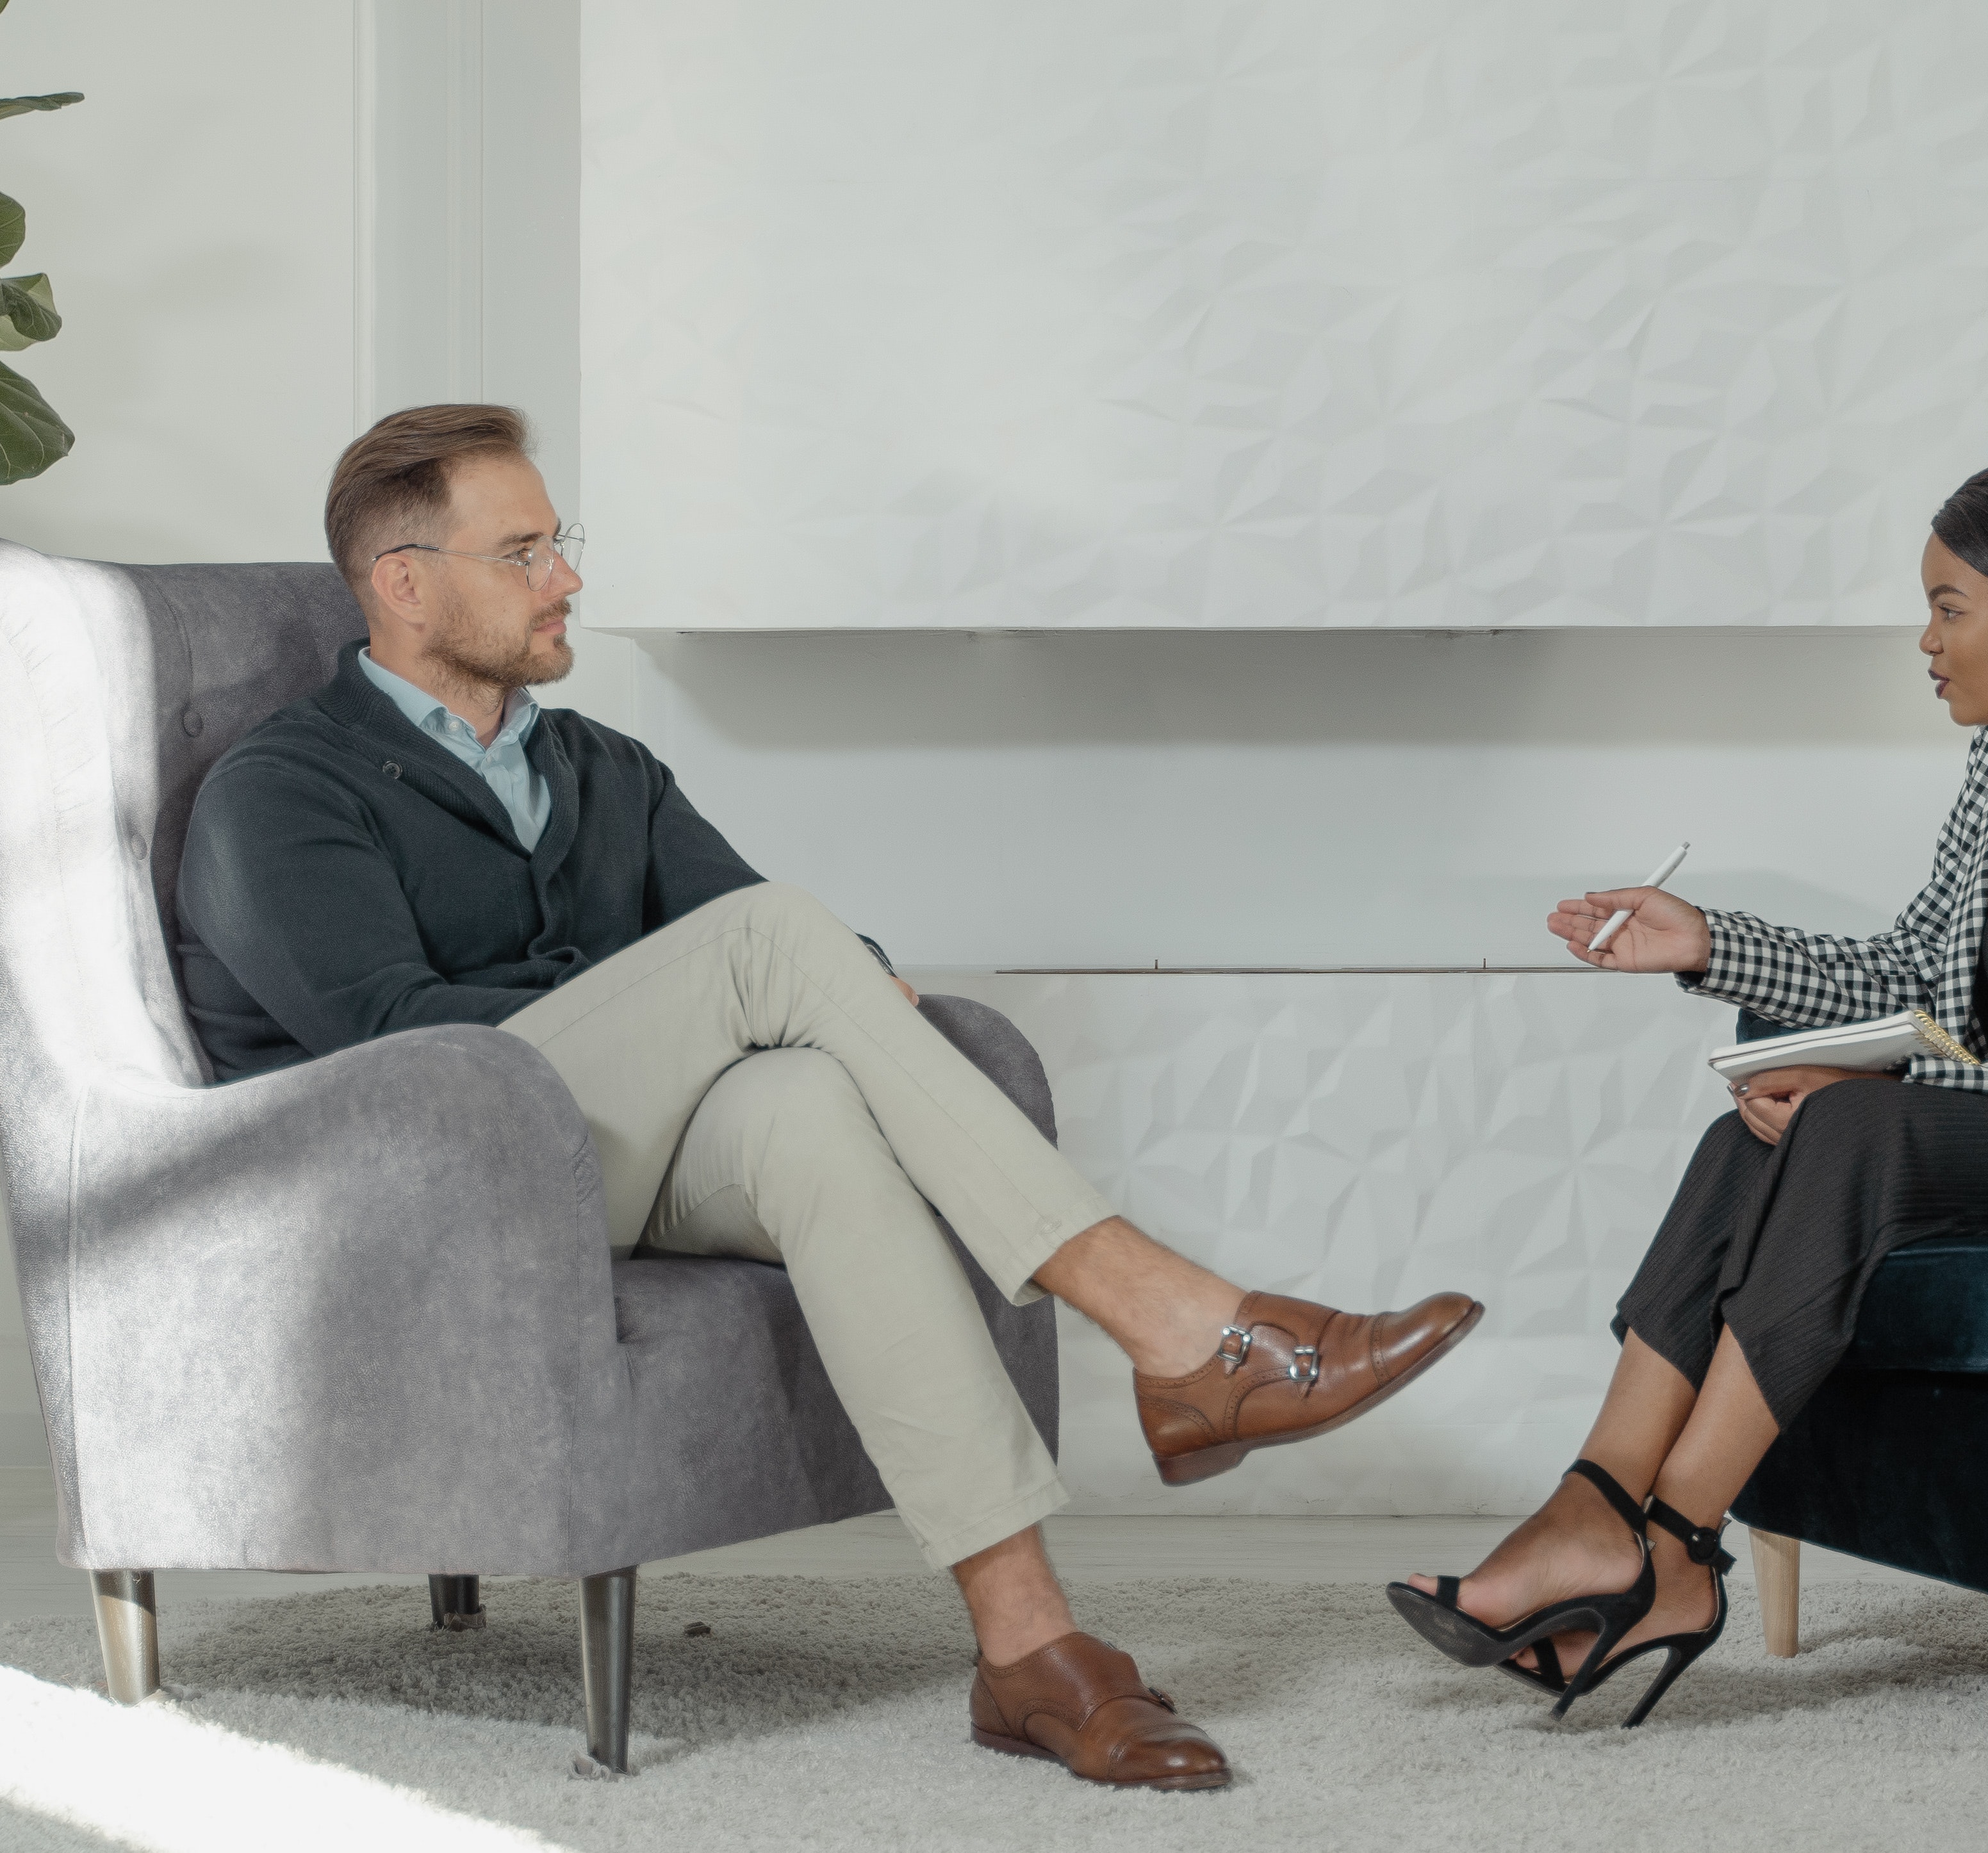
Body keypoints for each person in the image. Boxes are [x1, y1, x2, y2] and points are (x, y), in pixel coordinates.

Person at [178, 404, 1482, 1792]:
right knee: (781, 950)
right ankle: (1180, 1329)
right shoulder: (280, 790)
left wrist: (832, 993)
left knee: (808, 1108)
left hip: (601, 1152)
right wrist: (753, 985)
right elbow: (396, 1044)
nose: (567, 579)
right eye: (524, 552)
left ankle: (1027, 1647)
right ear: (404, 582)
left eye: (562, 542)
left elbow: (769, 950)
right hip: (420, 1183)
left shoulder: (597, 769)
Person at [1386, 453, 1988, 1726]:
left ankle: (1672, 1549)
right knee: (1757, 1137)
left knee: (1841, 1120)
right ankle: (1598, 1505)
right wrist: (1708, 942)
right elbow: (1912, 967)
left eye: (1950, 607)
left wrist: (1866, 1079)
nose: (1925, 640)